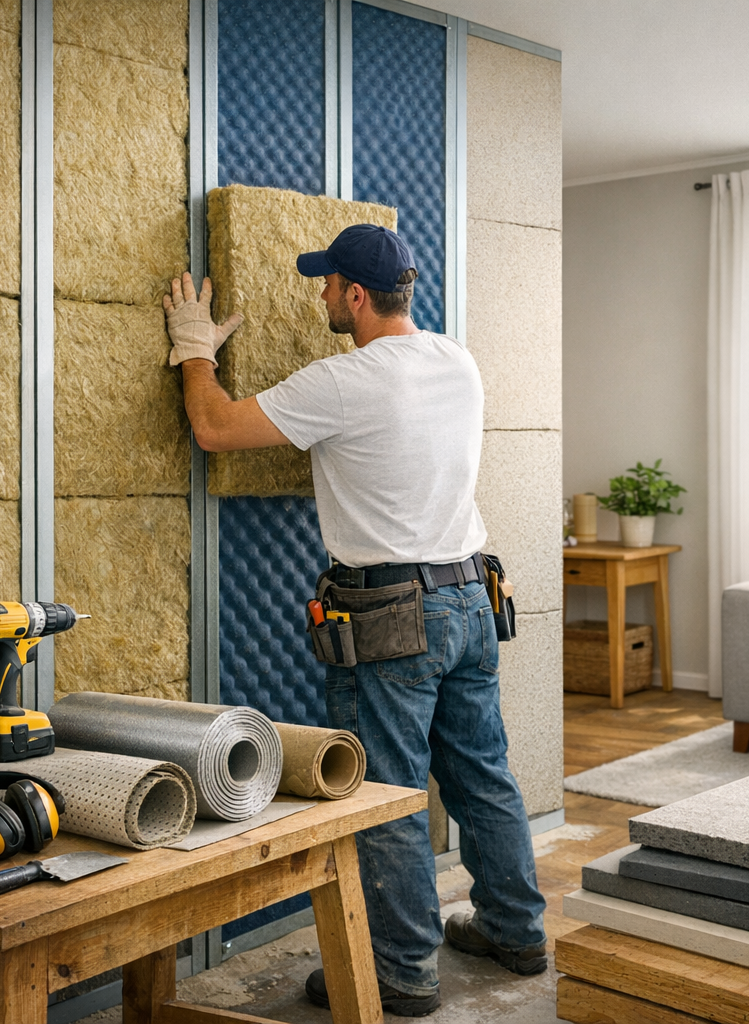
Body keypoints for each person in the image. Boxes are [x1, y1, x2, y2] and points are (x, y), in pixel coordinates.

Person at [163, 224, 547, 1017]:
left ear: (358, 296)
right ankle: (517, 931)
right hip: (474, 596)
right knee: (484, 775)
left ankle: (400, 974)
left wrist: (195, 350)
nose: (321, 295)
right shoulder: (457, 360)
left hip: (391, 615)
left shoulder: (346, 380)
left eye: (329, 284)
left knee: (386, 792)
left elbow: (216, 428)